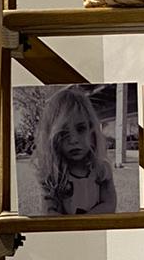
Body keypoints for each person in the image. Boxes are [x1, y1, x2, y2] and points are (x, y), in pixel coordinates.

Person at [30, 85, 117, 214]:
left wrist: (83, 222)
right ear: (52, 138)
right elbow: (49, 212)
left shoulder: (101, 169)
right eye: (63, 132)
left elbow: (109, 204)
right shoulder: (52, 175)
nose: (73, 140)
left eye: (81, 128)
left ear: (92, 130)